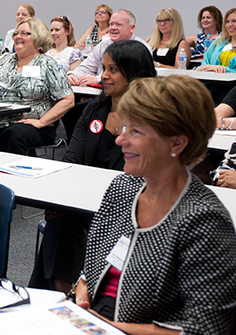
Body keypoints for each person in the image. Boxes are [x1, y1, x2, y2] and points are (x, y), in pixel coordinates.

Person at [74, 75, 236, 334]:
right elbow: (90, 269)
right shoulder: (123, 188)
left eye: (136, 131)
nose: (120, 140)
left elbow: (204, 329)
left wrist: (105, 327)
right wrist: (80, 303)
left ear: (177, 143)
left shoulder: (204, 220)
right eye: (124, 127)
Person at [30, 40, 156, 293]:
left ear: (134, 74)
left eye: (113, 70)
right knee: (62, 215)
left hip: (128, 206)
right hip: (84, 200)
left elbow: (144, 178)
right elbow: (72, 160)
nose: (104, 75)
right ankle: (60, 293)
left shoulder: (152, 119)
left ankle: (67, 294)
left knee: (70, 220)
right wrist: (61, 199)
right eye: (104, 68)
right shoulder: (93, 111)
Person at [0, 18, 74, 154]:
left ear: (38, 36)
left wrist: (42, 122)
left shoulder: (47, 64)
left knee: (13, 134)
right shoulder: (4, 59)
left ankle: (13, 168)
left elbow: (68, 100)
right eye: (16, 33)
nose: (18, 37)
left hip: (34, 125)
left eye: (24, 33)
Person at [68, 10, 151, 86]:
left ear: (132, 28)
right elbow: (87, 67)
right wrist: (73, 75)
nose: (113, 28)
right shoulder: (103, 45)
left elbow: (128, 76)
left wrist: (98, 79)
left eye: (119, 24)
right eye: (111, 24)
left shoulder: (142, 48)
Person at [197, 7, 236, 73]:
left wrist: (222, 69)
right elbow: (203, 66)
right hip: (211, 79)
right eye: (227, 21)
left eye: (234, 21)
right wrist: (213, 68)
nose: (230, 25)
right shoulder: (217, 43)